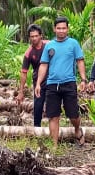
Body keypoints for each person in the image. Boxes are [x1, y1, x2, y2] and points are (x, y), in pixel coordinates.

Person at [34, 16, 87, 145]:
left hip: (69, 83)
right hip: (52, 85)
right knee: (53, 115)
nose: (61, 31)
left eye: (64, 28)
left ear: (67, 29)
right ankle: (54, 146)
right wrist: (38, 83)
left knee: (73, 114)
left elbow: (80, 61)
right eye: (59, 28)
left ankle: (77, 129)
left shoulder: (73, 43)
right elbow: (44, 65)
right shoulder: (49, 46)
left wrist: (83, 79)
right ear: (54, 29)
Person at [17, 23, 47, 128]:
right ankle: (37, 128)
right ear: (29, 38)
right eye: (32, 36)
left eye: (36, 36)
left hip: (52, 79)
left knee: (53, 105)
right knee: (38, 105)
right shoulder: (29, 53)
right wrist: (21, 92)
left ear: (40, 36)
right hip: (39, 82)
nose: (34, 38)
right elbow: (24, 72)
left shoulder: (49, 45)